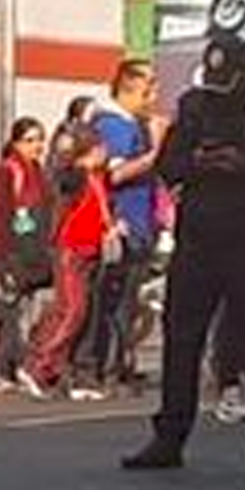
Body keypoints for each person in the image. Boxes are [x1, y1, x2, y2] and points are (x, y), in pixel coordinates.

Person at [122, 29, 245, 480]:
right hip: (200, 238)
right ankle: (170, 436)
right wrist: (199, 163)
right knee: (181, 339)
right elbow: (169, 164)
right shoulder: (195, 106)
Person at [83, 61, 166, 396]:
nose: (154, 97)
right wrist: (155, 152)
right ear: (129, 89)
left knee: (129, 302)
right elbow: (115, 174)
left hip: (141, 222)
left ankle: (121, 364)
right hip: (123, 225)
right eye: (149, 90)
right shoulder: (114, 126)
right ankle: (107, 368)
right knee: (116, 302)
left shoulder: (135, 125)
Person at [21, 126, 112, 400]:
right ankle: (39, 363)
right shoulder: (76, 176)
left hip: (89, 249)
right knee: (73, 310)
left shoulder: (98, 178)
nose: (106, 153)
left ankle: (55, 368)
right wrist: (69, 154)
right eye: (101, 148)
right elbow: (61, 181)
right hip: (71, 249)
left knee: (70, 309)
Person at [0, 118, 54, 393]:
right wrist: (3, 256)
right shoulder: (8, 171)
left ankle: (13, 366)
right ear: (15, 143)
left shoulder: (37, 171)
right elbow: (1, 216)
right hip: (12, 249)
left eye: (40, 139)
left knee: (25, 310)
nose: (37, 146)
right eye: (29, 140)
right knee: (10, 310)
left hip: (33, 248)